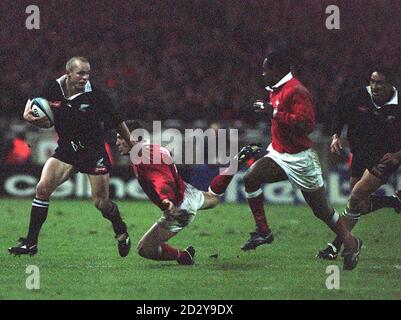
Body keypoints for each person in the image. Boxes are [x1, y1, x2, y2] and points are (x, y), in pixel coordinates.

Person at [240, 51, 362, 270]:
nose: (263, 73)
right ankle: (263, 231)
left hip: (300, 159)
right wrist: (269, 112)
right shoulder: (275, 89)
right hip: (279, 154)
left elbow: (308, 125)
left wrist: (274, 112)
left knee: (321, 211)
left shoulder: (297, 91)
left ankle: (351, 242)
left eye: (266, 68)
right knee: (250, 178)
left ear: (278, 70)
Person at [8, 57, 134, 257]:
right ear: (68, 73)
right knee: (42, 189)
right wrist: (28, 117)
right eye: (80, 73)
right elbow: (41, 112)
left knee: (101, 203)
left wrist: (130, 140)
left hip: (93, 151)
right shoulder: (52, 88)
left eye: (87, 74)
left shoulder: (97, 96)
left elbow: (118, 120)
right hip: (67, 149)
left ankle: (120, 228)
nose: (85, 78)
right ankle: (30, 243)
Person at [116, 121, 263, 265]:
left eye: (120, 137)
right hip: (186, 192)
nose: (117, 142)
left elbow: (162, 179)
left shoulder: (146, 156)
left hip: (179, 206)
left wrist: (166, 198)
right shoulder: (153, 150)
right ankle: (235, 163)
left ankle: (184, 256)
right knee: (213, 198)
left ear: (133, 138)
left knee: (145, 249)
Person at [317, 66, 401, 260]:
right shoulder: (357, 96)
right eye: (372, 81)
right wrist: (335, 135)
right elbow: (339, 113)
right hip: (360, 154)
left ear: (390, 85)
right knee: (360, 205)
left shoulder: (398, 106)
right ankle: (394, 201)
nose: (374, 86)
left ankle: (336, 246)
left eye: (380, 82)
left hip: (384, 158)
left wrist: (397, 155)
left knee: (355, 197)